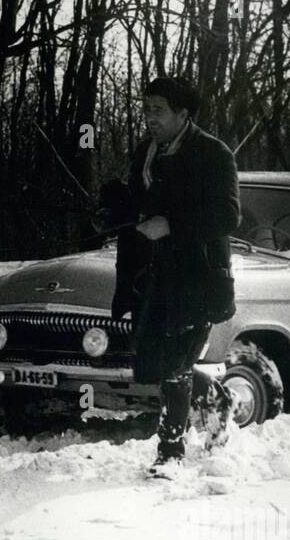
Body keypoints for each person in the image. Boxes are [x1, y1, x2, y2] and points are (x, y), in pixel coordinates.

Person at [94, 76, 239, 472]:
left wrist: (171, 224)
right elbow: (140, 206)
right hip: (153, 277)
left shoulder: (213, 154)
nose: (149, 118)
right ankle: (217, 398)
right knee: (157, 363)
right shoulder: (145, 151)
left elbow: (228, 216)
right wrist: (115, 206)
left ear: (183, 114)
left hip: (197, 278)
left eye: (157, 110)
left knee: (175, 365)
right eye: (146, 109)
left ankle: (170, 453)